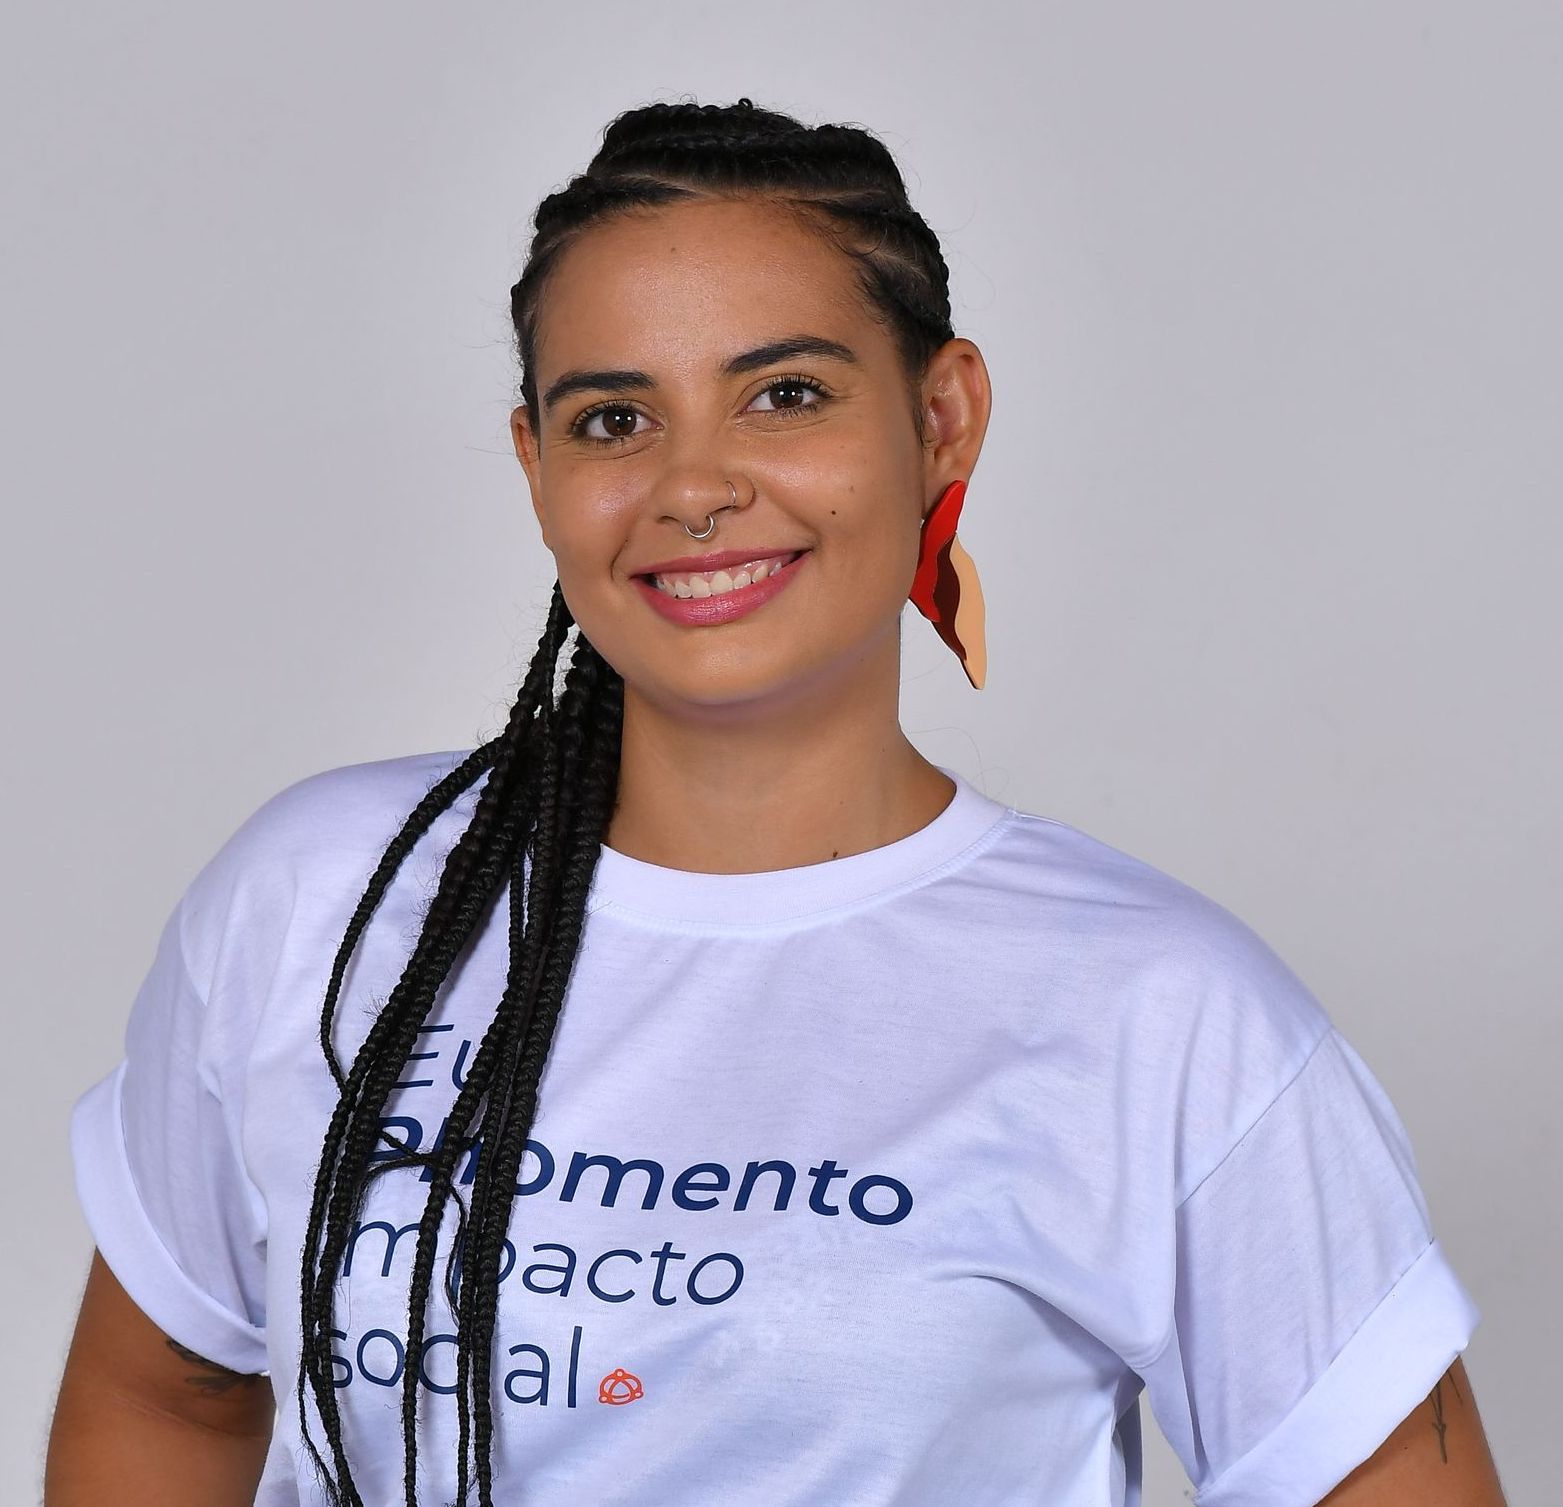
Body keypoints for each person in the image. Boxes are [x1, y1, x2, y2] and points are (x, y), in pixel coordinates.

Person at [45, 97, 1506, 1507]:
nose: (694, 484)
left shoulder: (1163, 1018)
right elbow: (164, 1393)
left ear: (943, 419)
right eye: (614, 418)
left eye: (785, 395)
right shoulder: (325, 900)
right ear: (535, 467)